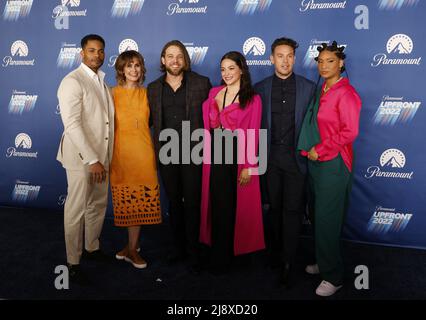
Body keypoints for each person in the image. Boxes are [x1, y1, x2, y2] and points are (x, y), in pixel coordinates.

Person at [298, 41, 361, 296]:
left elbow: (350, 132)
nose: (324, 65)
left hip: (334, 164)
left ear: (341, 64)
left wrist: (321, 149)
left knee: (327, 219)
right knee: (317, 214)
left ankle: (333, 276)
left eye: (330, 61)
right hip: (315, 162)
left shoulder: (347, 93)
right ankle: (325, 262)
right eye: (320, 61)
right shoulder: (322, 88)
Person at [254, 38, 316, 287]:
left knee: (292, 211)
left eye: (290, 56)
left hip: (295, 161)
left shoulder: (309, 88)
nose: (285, 61)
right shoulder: (260, 88)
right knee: (274, 208)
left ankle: (288, 261)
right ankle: (276, 253)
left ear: (295, 58)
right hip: (269, 160)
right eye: (280, 56)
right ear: (271, 58)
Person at [147, 40, 211, 274]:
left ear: (185, 60)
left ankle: (194, 251)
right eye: (170, 56)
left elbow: (213, 118)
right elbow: (147, 122)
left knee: (193, 203)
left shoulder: (201, 83)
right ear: (163, 60)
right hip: (166, 153)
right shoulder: (153, 88)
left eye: (179, 56)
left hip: (194, 152)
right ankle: (178, 248)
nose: (175, 60)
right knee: (174, 203)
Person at [200, 51, 265, 274]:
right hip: (217, 153)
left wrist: (249, 166)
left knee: (238, 206)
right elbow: (211, 126)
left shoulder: (253, 99)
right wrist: (215, 114)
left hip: (239, 155)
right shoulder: (214, 93)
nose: (226, 73)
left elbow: (254, 133)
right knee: (219, 204)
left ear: (241, 70)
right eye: (223, 69)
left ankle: (238, 255)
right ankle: (220, 255)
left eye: (231, 68)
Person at [57, 34, 114, 284]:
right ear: (82, 53)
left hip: (102, 157)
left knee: (98, 205)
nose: (97, 55)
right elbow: (72, 125)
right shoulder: (72, 81)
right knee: (76, 208)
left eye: (101, 51)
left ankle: (92, 247)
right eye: (92, 51)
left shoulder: (102, 81)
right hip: (82, 159)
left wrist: (102, 158)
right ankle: (73, 260)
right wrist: (92, 159)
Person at [111, 50, 162, 269]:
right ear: (121, 69)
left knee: (139, 200)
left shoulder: (148, 93)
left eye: (137, 65)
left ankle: (132, 248)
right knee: (127, 202)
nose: (133, 70)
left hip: (143, 154)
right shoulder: (110, 94)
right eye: (129, 65)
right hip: (120, 155)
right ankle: (131, 246)